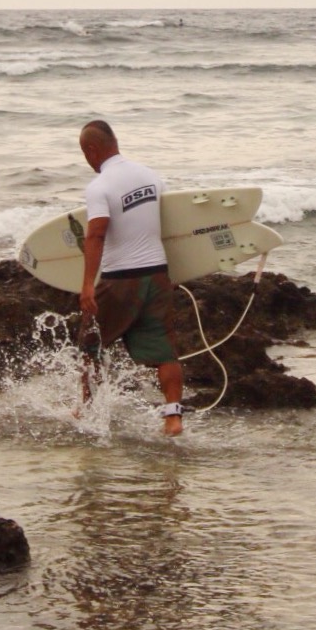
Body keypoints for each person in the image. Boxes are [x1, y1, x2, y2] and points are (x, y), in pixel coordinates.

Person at [77, 119, 185, 436]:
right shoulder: (150, 176)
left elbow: (96, 234)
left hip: (120, 280)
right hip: (158, 275)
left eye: (84, 153)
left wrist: (87, 284)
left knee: (90, 344)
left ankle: (86, 408)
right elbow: (170, 222)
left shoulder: (99, 187)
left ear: (92, 149)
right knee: (165, 352)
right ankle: (173, 418)